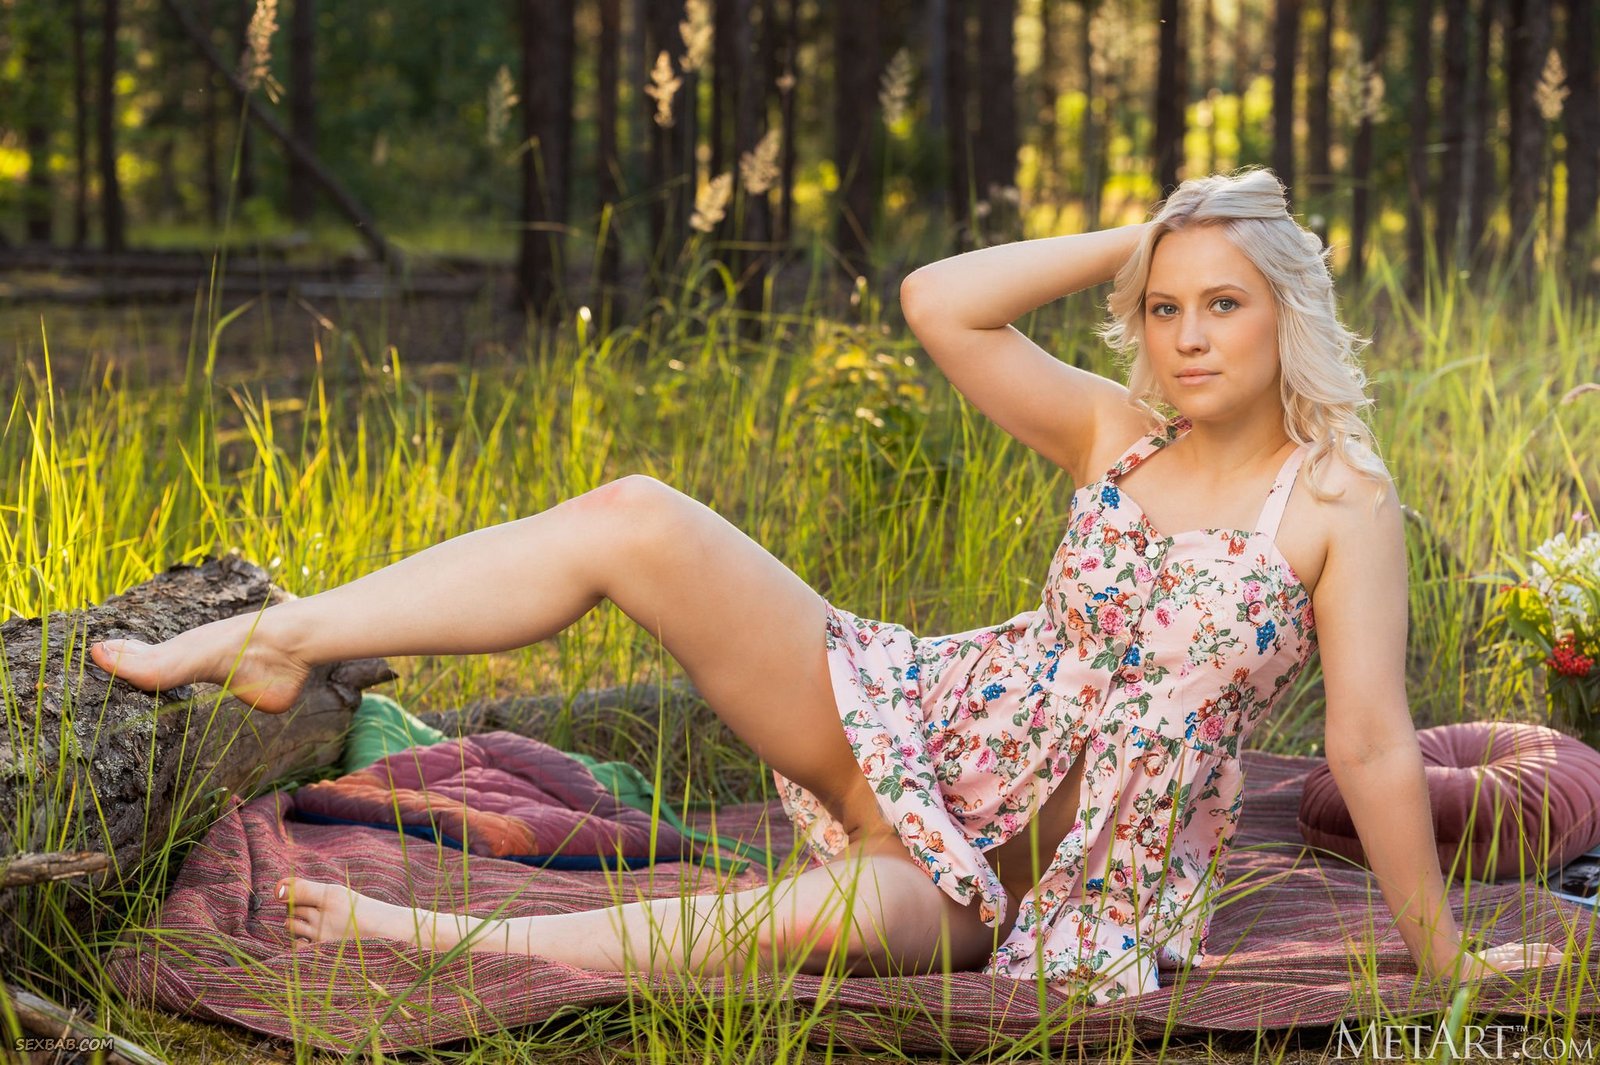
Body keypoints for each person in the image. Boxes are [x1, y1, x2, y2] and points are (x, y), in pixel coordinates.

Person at [88, 167, 1563, 1003]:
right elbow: (940, 302)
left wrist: (1439, 959)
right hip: (914, 724)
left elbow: (1372, 743)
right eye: (1165, 307)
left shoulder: (1340, 502)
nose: (1185, 336)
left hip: (1015, 886)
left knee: (795, 924)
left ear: (1287, 313)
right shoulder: (1122, 434)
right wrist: (1164, 226)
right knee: (639, 516)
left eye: (1223, 303)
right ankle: (285, 633)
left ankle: (445, 939)